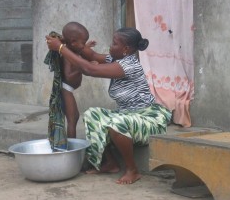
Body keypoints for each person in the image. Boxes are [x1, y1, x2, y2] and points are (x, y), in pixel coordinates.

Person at [46, 27, 172, 185]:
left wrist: (60, 48)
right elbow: (90, 55)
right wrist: (68, 42)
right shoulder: (114, 59)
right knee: (92, 114)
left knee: (116, 123)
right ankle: (110, 163)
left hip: (148, 118)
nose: (110, 46)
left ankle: (132, 170)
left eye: (114, 43)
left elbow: (90, 68)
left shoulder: (128, 66)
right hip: (127, 114)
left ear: (125, 49)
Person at [58, 22, 95, 138]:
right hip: (66, 89)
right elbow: (68, 76)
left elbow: (79, 53)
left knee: (75, 116)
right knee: (72, 120)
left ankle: (72, 144)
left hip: (69, 89)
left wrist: (87, 46)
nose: (83, 46)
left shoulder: (72, 51)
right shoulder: (67, 56)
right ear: (73, 42)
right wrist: (83, 67)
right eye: (83, 43)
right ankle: (71, 148)